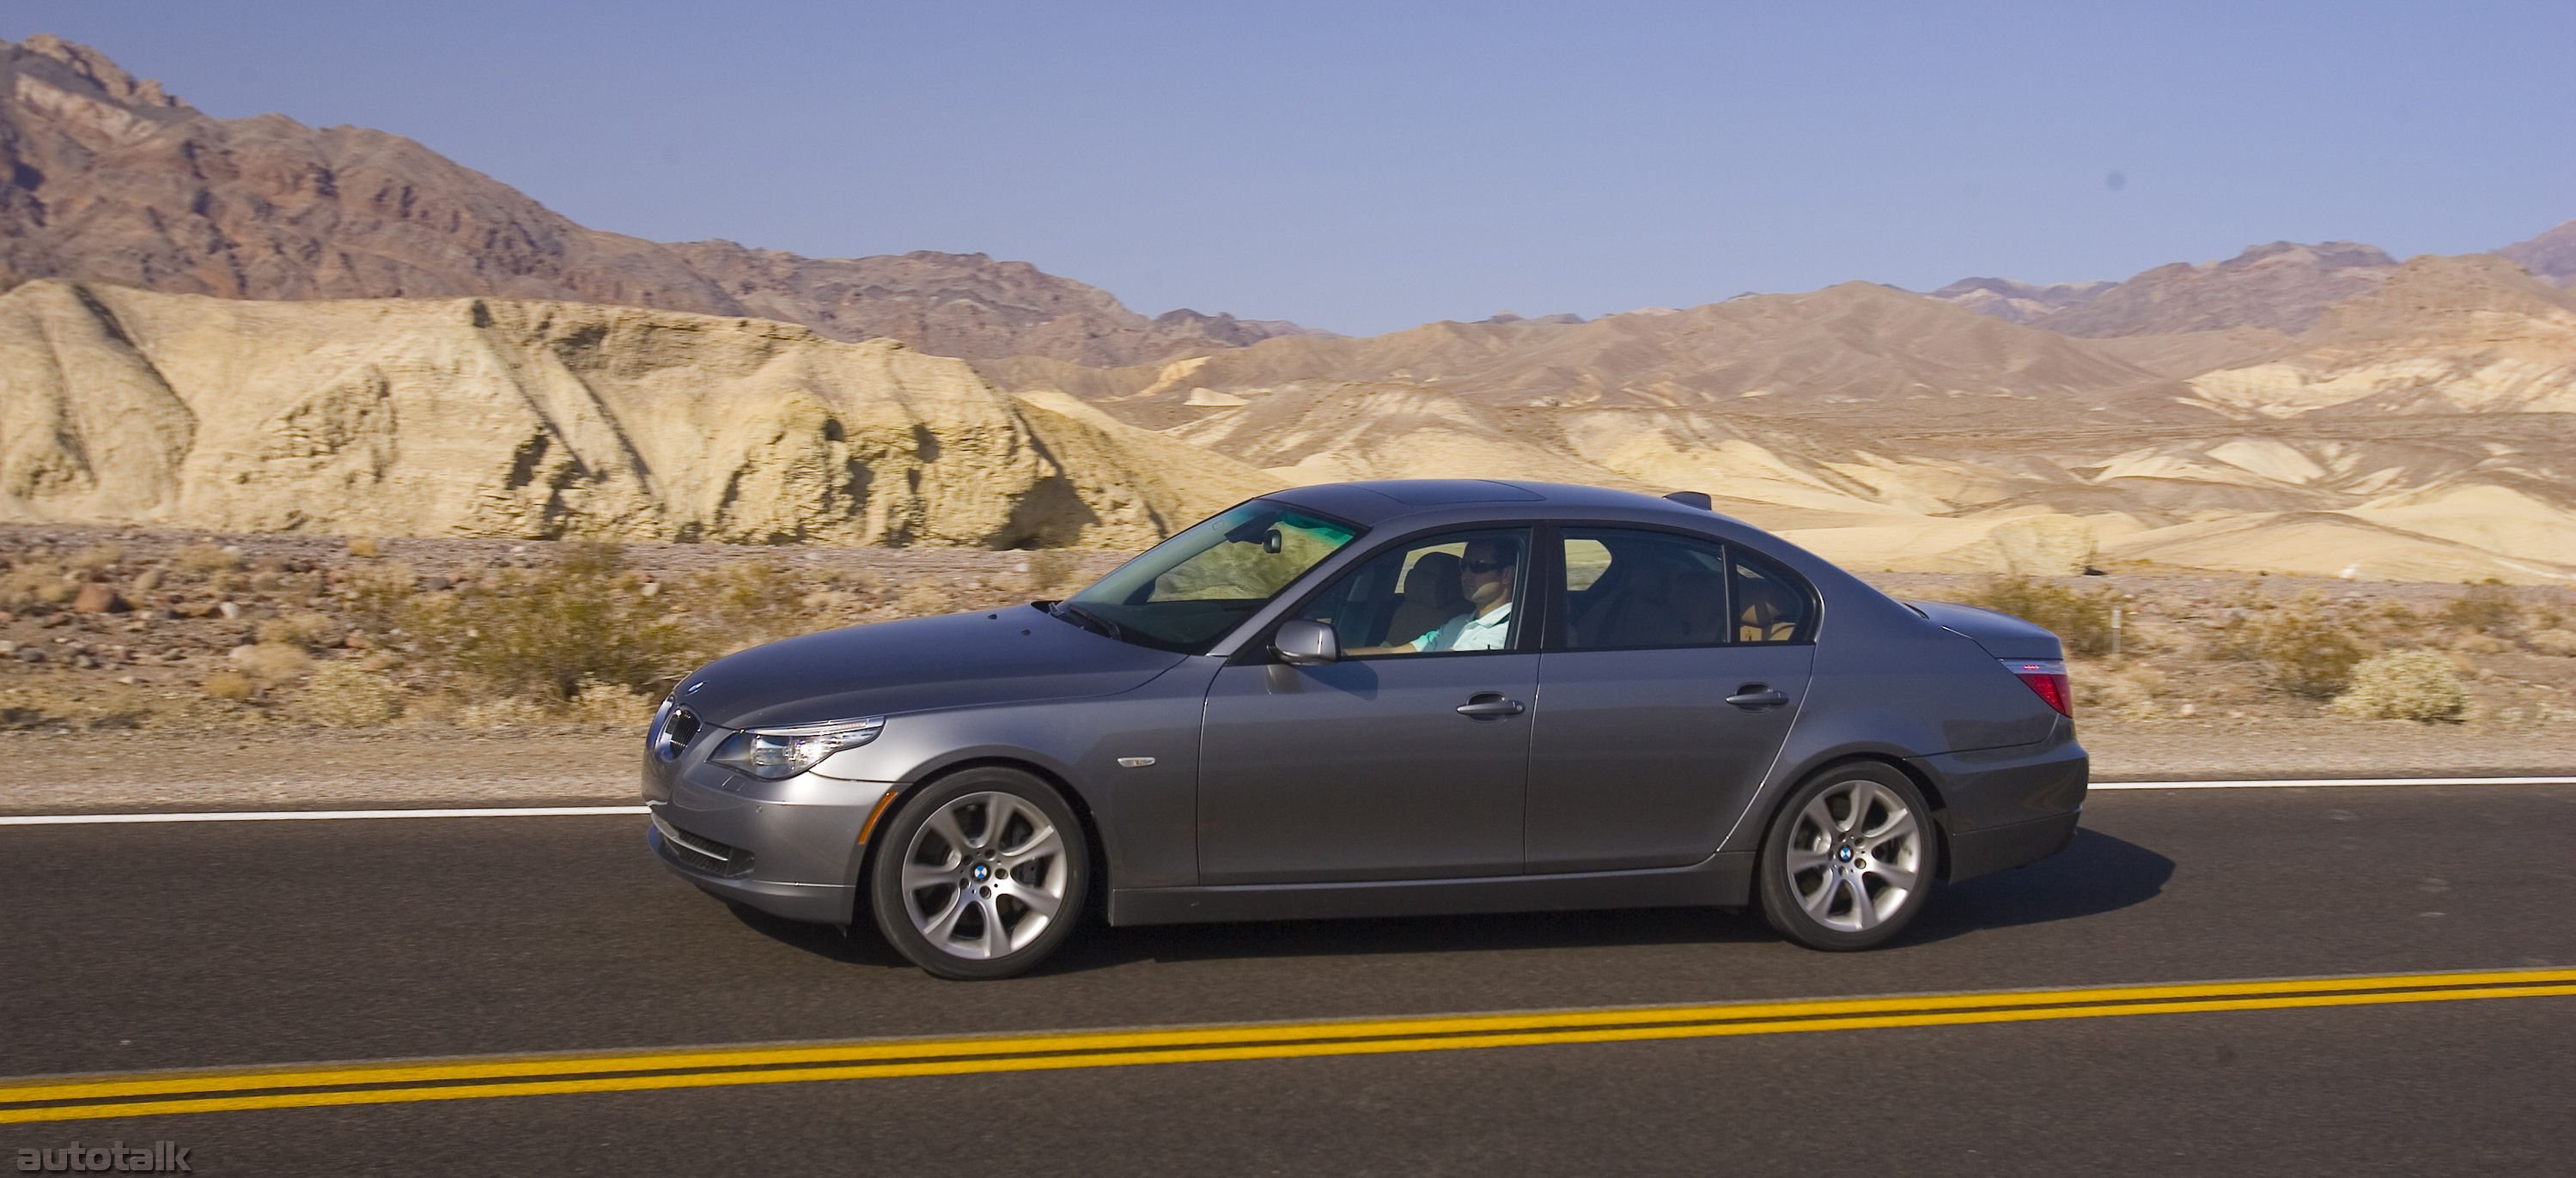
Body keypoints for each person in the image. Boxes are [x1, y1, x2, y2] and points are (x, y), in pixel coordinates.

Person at [1352, 537, 1519, 654]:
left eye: (1477, 567)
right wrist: (1342, 656)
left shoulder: (1507, 633)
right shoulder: (1458, 623)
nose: (1466, 574)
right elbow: (1394, 652)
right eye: (1463, 565)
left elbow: (1437, 667)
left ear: (1506, 575)